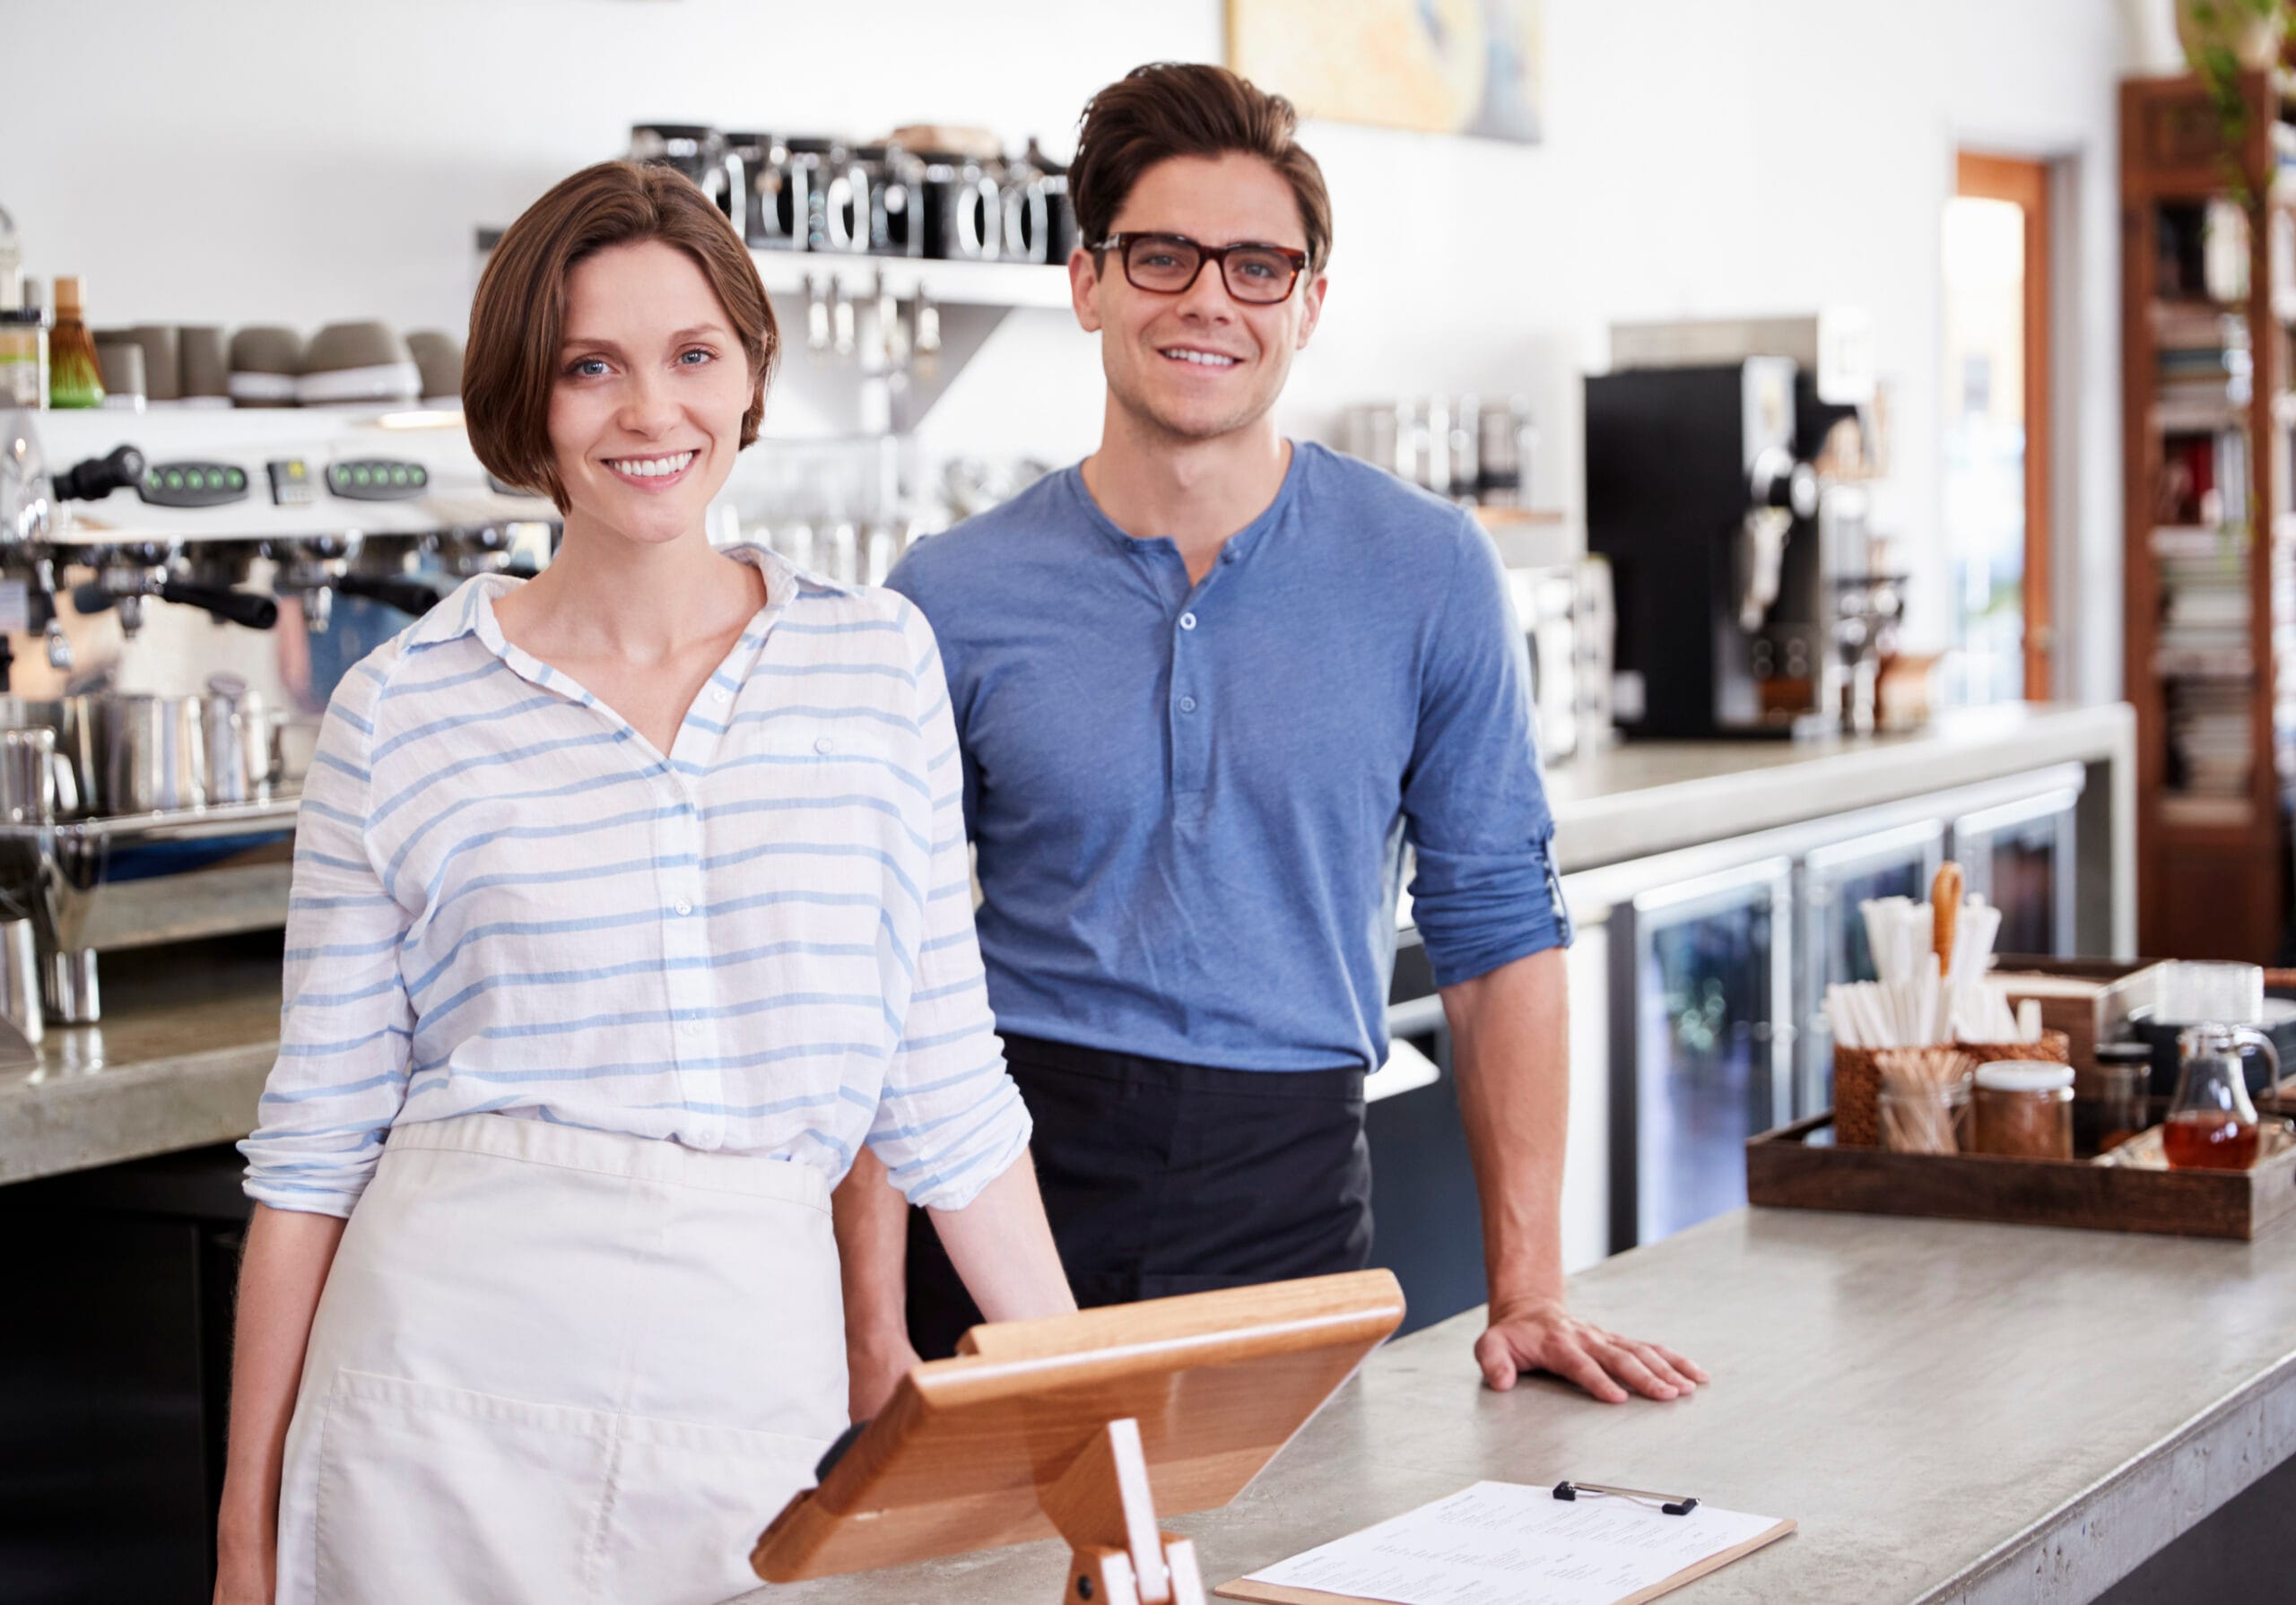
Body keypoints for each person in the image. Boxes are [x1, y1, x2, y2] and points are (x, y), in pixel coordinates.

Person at [213, 160, 1073, 1605]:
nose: (649, 411)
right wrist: (244, 1540)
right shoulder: (399, 707)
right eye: (589, 368)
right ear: (525, 402)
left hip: (749, 1380)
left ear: (749, 378)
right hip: (437, 1391)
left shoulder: (875, 665)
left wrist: (1091, 1417)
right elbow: (311, 1158)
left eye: (692, 357)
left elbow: (946, 1094)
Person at [833, 63, 1703, 1415]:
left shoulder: (1429, 569)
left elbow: (1496, 927)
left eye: (1256, 266)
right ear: (1089, 282)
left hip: (1284, 1191)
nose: (1207, 300)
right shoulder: (948, 592)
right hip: (1002, 1181)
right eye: (1164, 256)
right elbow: (873, 970)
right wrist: (869, 1329)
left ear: (1307, 302)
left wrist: (1528, 1286)